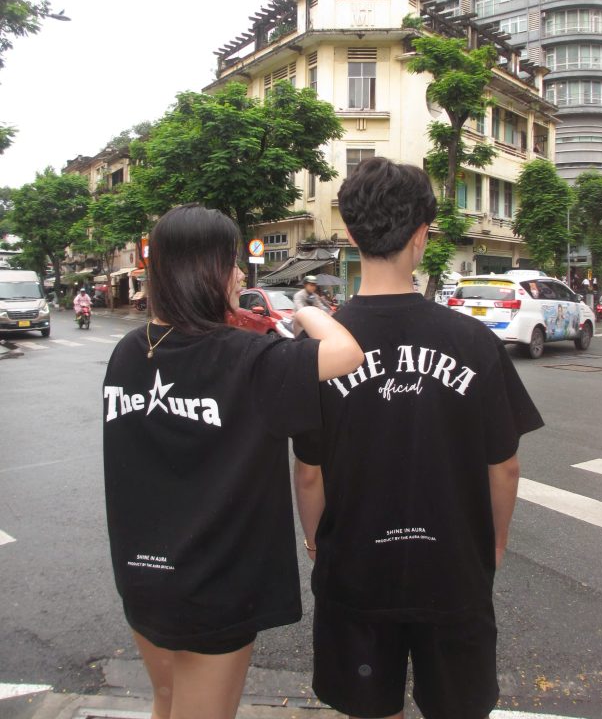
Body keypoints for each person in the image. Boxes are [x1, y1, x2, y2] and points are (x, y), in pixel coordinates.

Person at [293, 157, 544, 719]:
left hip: (355, 571)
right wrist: (494, 543)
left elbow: (309, 472)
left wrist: (315, 543)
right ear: (422, 235)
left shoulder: (319, 351)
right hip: (452, 570)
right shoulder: (473, 342)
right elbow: (504, 466)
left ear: (350, 232)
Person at [103, 204, 363, 719]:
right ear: (203, 270)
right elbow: (347, 353)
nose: (241, 274)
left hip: (142, 575)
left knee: (167, 700)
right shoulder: (247, 357)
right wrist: (308, 311)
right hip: (214, 585)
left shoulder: (129, 352)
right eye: (231, 262)